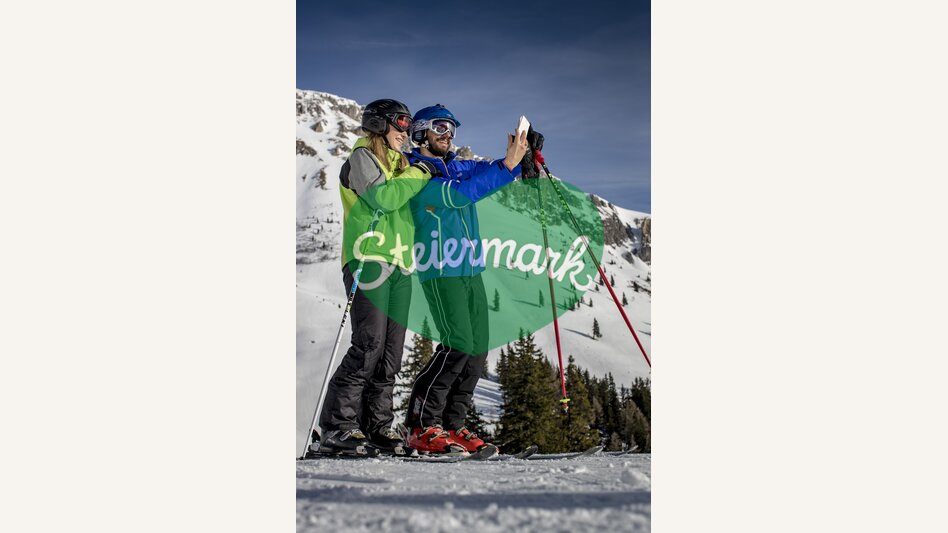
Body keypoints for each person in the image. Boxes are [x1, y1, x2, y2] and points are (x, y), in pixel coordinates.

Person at [315, 99, 441, 456]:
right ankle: (338, 427)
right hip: (368, 258)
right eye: (400, 124)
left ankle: (377, 426)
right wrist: (418, 175)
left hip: (401, 263)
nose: (406, 132)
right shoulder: (361, 159)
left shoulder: (404, 165)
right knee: (368, 345)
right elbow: (383, 198)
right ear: (379, 124)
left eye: (408, 125)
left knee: (390, 353)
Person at [402, 104, 529, 454]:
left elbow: (487, 170)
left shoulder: (458, 165)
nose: (448, 135)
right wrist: (508, 166)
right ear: (421, 131)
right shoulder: (415, 172)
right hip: (441, 270)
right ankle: (421, 425)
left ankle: (453, 426)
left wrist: (520, 158)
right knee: (457, 343)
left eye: (452, 130)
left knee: (476, 349)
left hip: (471, 269)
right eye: (441, 127)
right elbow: (459, 196)